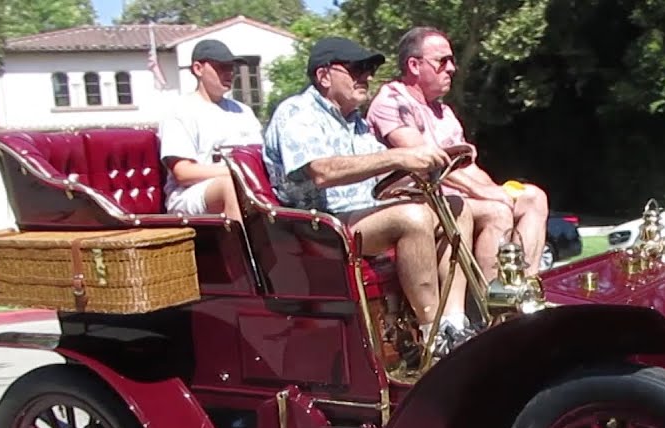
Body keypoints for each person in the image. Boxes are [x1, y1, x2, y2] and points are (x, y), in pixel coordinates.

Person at [262, 36, 474, 354]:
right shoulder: (296, 112)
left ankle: (454, 324)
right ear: (324, 76)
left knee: (456, 207)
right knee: (413, 218)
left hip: (360, 215)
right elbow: (322, 172)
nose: (367, 77)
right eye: (356, 69)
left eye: (369, 69)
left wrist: (432, 163)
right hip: (317, 227)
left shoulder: (355, 123)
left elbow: (383, 173)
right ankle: (433, 336)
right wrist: (399, 156)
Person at [366, 26, 549, 280]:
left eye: (452, 61)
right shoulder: (392, 102)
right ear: (414, 65)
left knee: (533, 197)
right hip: (416, 203)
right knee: (496, 211)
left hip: (455, 198)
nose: (452, 68)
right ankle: (495, 300)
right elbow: (427, 160)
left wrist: (495, 190)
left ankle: (524, 287)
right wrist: (483, 193)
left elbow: (467, 167)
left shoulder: (444, 113)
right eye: (443, 61)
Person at [158, 39, 264, 222]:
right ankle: (243, 241)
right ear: (198, 69)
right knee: (229, 186)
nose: (229, 73)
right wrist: (238, 172)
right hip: (189, 194)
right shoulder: (180, 111)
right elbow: (183, 173)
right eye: (222, 67)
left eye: (231, 67)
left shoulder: (244, 111)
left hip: (245, 186)